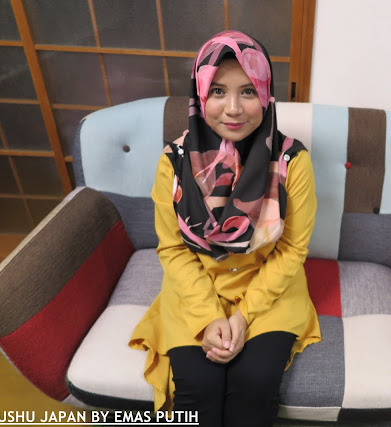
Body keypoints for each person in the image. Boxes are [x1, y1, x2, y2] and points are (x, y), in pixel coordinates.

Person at [129, 30, 321, 427]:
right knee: (198, 386)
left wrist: (243, 316)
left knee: (256, 381)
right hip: (196, 289)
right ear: (200, 94)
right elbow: (173, 250)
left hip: (269, 291)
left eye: (248, 91)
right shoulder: (174, 161)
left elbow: (291, 250)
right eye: (217, 91)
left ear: (265, 94)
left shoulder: (292, 161)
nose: (233, 109)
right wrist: (207, 317)